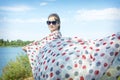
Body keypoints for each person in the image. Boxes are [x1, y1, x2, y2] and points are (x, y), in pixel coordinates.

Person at [23, 13, 120, 80]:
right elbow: (40, 45)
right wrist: (30, 48)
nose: (51, 24)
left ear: (58, 23)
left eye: (54, 22)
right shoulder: (46, 38)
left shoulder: (57, 36)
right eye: (49, 22)